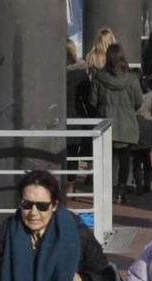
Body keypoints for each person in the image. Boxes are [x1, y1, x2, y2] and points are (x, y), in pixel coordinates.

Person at [90, 43, 143, 205]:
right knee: (125, 160)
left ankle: (106, 190)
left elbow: (93, 100)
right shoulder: (132, 78)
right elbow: (138, 101)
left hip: (106, 124)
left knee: (107, 159)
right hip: (127, 125)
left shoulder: (99, 77)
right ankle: (121, 191)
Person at [66, 38, 94, 195]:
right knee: (73, 153)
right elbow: (87, 98)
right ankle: (71, 183)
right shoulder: (81, 73)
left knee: (65, 153)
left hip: (58, 116)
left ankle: (64, 183)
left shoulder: (54, 72)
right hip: (77, 116)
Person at [132, 70, 152, 195]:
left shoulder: (131, 94)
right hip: (148, 127)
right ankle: (147, 183)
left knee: (136, 159)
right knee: (147, 157)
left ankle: (138, 184)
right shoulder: (149, 94)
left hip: (134, 127)